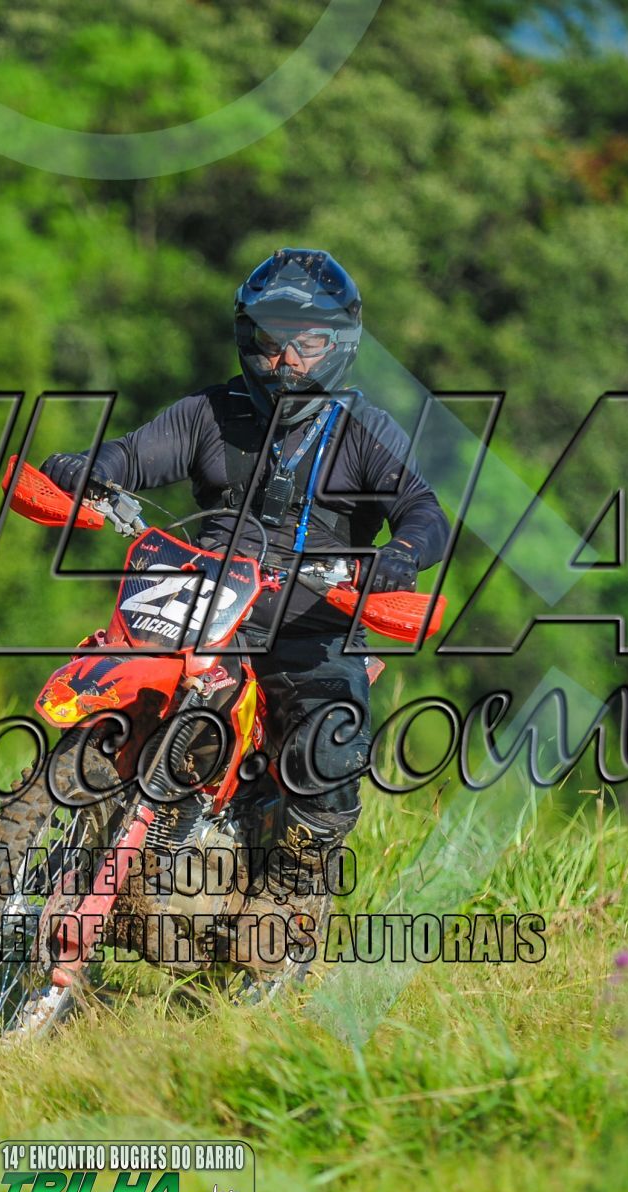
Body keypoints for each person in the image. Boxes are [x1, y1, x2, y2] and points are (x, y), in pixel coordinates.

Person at [39, 247, 449, 990]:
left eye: (306, 342)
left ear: (339, 346)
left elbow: (422, 508)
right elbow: (133, 455)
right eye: (268, 340)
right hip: (203, 604)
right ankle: (115, 832)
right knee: (122, 677)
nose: (283, 359)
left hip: (311, 623)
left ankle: (290, 887)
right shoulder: (209, 412)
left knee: (328, 732)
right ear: (244, 337)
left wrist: (402, 554)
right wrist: (91, 467)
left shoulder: (365, 430)